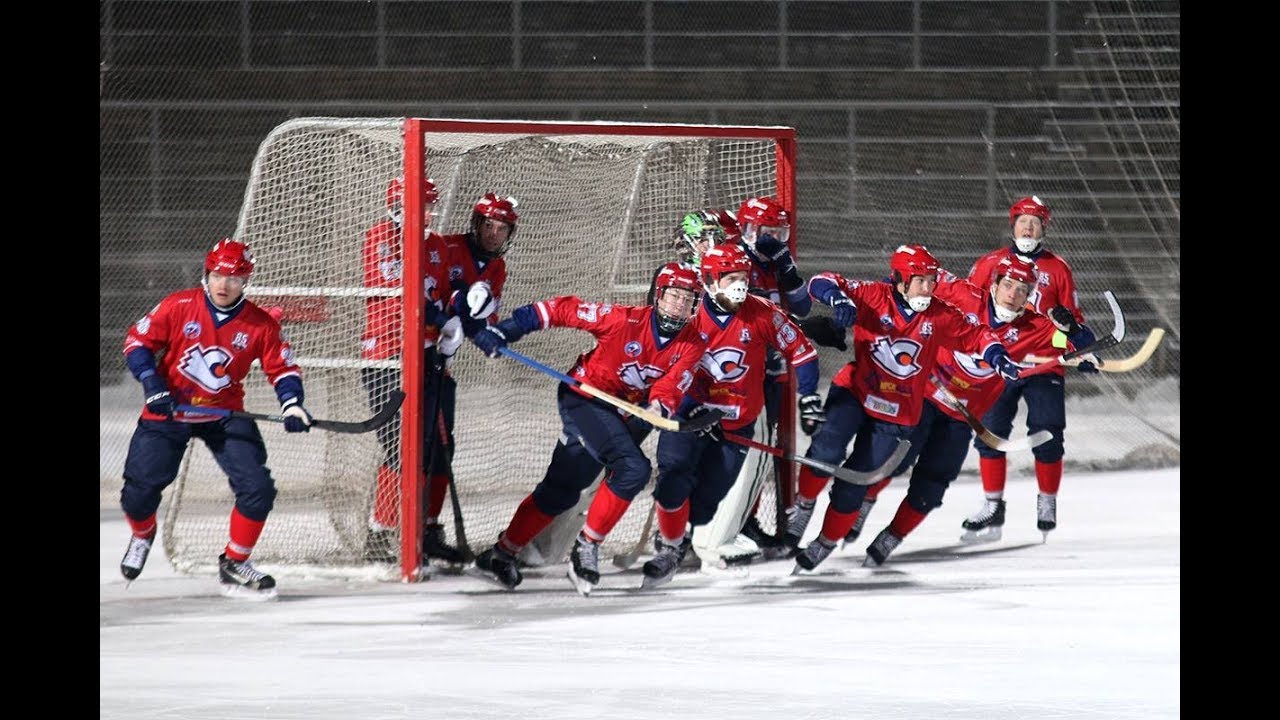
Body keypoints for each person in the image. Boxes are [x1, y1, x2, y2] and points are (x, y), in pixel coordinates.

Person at [465, 263, 707, 590]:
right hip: (584, 400)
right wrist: (506, 330)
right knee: (633, 469)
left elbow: (671, 386)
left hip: (622, 411)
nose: (679, 303)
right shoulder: (622, 320)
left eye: (688, 298)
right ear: (658, 295)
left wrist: (658, 406)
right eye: (673, 294)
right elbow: (560, 310)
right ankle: (587, 546)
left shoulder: (693, 343)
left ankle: (500, 554)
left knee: (562, 491)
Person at [785, 244, 1023, 573]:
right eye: (919, 281)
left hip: (897, 413)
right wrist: (837, 298)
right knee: (825, 451)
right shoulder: (874, 294)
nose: (927, 289)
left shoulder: (939, 315)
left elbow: (978, 336)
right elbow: (821, 281)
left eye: (930, 281)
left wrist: (997, 355)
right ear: (899, 280)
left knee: (854, 483)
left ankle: (825, 541)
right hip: (856, 390)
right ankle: (804, 504)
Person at [850, 255, 1097, 565]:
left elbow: (1087, 346)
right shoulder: (963, 295)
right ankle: (860, 509)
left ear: (1030, 295)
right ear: (993, 285)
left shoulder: (1035, 326)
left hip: (961, 418)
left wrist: (1074, 331)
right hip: (924, 396)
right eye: (1007, 285)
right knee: (893, 461)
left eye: (1022, 289)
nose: (1013, 294)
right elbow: (909, 280)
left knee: (932, 487)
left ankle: (890, 538)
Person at [117, 238, 313, 598]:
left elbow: (282, 368)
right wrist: (152, 384)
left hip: (224, 412)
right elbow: (137, 343)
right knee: (137, 495)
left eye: (235, 278)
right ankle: (143, 534)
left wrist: (292, 403)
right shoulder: (179, 305)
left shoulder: (260, 323)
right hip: (169, 409)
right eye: (218, 275)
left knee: (258, 489)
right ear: (206, 274)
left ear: (246, 282)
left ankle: (234, 562)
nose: (224, 285)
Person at [641, 243, 820, 588]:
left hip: (737, 421)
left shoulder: (762, 312)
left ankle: (691, 540)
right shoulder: (686, 313)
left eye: (743, 277)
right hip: (689, 414)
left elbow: (802, 352)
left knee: (710, 496)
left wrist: (809, 396)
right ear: (709, 281)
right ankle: (669, 547)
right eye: (730, 278)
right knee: (674, 473)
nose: (739, 285)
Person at [963, 196, 1096, 540]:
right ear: (1013, 224)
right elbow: (967, 311)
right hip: (999, 366)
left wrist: (1075, 349)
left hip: (1042, 368)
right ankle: (993, 505)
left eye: (1035, 222)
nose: (1028, 227)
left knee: (1048, 434)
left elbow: (1073, 324)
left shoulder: (1058, 269)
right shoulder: (990, 263)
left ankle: (1047, 500)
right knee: (989, 434)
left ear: (1043, 228)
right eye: (1023, 220)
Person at [359, 175, 465, 563]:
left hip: (429, 357)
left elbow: (440, 294)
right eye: (417, 205)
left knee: (437, 447)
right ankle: (380, 532)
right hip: (387, 359)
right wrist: (437, 317)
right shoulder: (380, 238)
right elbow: (400, 302)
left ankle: (425, 530)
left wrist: (453, 323)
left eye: (428, 206)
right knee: (400, 448)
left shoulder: (436, 244)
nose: (425, 213)